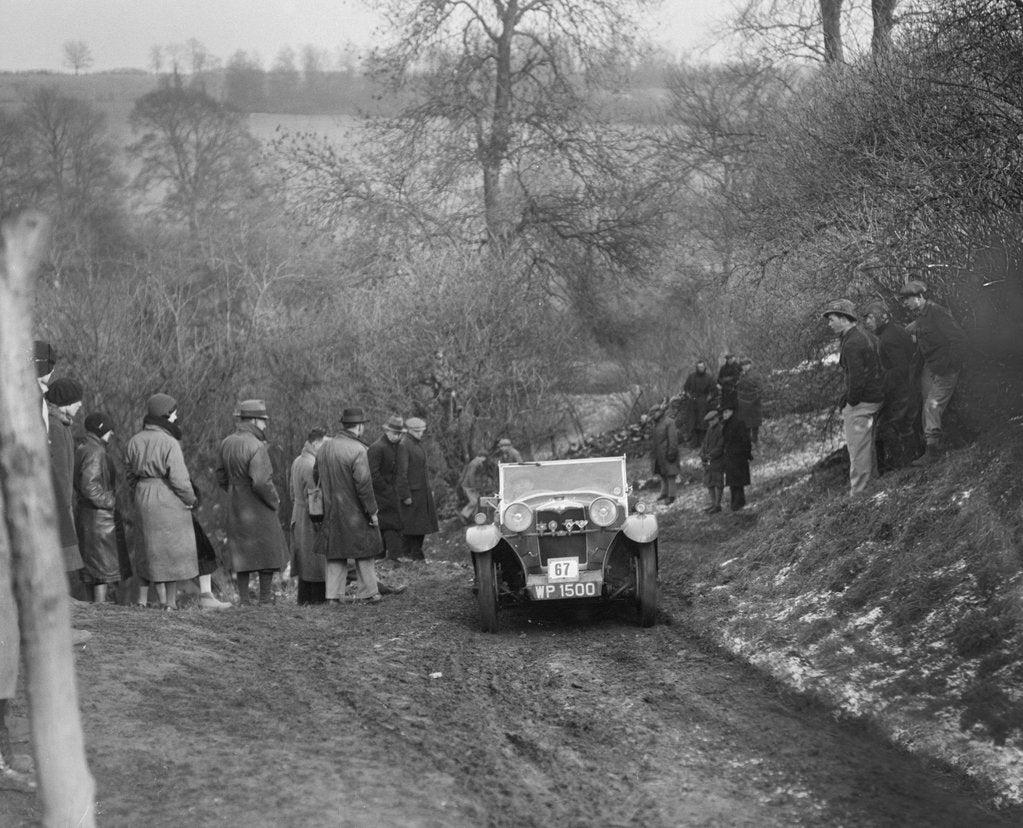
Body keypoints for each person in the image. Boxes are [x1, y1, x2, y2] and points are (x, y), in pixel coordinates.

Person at [125, 393, 199, 609]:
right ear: (166, 414)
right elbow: (179, 479)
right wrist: (191, 499)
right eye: (174, 412)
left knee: (148, 549)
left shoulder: (134, 440)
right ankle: (170, 603)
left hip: (142, 494)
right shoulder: (170, 442)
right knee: (170, 551)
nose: (176, 416)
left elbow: (129, 474)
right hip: (167, 496)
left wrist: (140, 490)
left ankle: (149, 601)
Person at [215, 399, 288, 607]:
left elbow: (220, 476)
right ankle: (265, 599)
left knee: (242, 553)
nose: (265, 425)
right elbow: (261, 481)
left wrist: (233, 492)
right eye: (263, 421)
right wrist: (275, 500)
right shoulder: (256, 445)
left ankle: (244, 600)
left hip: (235, 502)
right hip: (258, 504)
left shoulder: (226, 442)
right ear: (254, 421)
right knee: (268, 550)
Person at [314, 407, 386, 604]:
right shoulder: (359, 450)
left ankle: (333, 596)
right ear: (360, 427)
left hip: (331, 510)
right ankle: (369, 592)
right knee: (365, 548)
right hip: (354, 511)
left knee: (335, 552)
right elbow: (364, 485)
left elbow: (316, 477)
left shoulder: (324, 448)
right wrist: (372, 511)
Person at [899, 279, 967, 465]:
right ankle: (932, 446)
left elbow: (958, 338)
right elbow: (919, 331)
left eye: (907, 300)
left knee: (932, 406)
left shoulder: (937, 312)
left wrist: (950, 365)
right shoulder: (922, 315)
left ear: (919, 297)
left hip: (945, 368)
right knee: (926, 405)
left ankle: (933, 452)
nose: (905, 304)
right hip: (931, 367)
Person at [823, 299, 886, 495]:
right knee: (865, 446)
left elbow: (857, 378)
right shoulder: (863, 336)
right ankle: (868, 485)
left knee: (857, 448)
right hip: (876, 396)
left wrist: (850, 402)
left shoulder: (852, 343)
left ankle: (859, 492)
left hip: (863, 402)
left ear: (844, 318)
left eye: (832, 319)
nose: (829, 324)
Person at [74, 412, 128, 604]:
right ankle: (99, 610)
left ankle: (95, 609)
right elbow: (89, 486)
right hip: (99, 519)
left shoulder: (84, 448)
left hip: (89, 516)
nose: (112, 433)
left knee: (92, 570)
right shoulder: (96, 452)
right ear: (101, 429)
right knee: (101, 570)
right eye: (109, 429)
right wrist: (110, 501)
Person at [862, 300, 918, 471]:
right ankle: (908, 464)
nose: (867, 322)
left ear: (882, 317)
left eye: (870, 318)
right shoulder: (894, 331)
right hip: (907, 387)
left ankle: (904, 467)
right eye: (866, 319)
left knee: (888, 428)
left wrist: (881, 380)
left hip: (903, 391)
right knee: (902, 426)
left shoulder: (888, 338)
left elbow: (901, 369)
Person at [44, 377, 86, 590]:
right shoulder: (56, 427)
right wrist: (63, 504)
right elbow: (59, 472)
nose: (80, 405)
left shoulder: (62, 425)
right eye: (76, 400)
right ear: (66, 401)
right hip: (59, 504)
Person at [289, 427, 328, 605]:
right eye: (323, 444)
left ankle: (303, 599)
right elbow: (315, 495)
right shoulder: (312, 464)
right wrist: (319, 521)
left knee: (304, 558)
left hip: (297, 513)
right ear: (315, 443)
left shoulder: (298, 460)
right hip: (310, 515)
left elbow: (291, 492)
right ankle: (317, 600)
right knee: (316, 559)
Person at [396, 417, 440, 561]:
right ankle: (408, 555)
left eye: (421, 431)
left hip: (421, 492)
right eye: (418, 431)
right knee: (410, 527)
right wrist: (405, 495)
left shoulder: (415, 444)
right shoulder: (404, 445)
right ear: (410, 430)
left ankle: (415, 554)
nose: (421, 434)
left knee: (420, 526)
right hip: (412, 493)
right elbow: (401, 473)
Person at [367, 416, 406, 561]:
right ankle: (391, 557)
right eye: (395, 433)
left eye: (400, 434)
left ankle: (391, 557)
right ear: (387, 431)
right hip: (380, 494)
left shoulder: (395, 447)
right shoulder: (377, 448)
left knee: (390, 525)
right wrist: (386, 489)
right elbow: (373, 473)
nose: (397, 437)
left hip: (390, 492)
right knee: (389, 525)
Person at [721, 405, 753, 510]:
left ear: (731, 412)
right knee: (733, 480)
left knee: (737, 480)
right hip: (731, 456)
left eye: (726, 412)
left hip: (738, 456)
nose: (724, 414)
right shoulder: (727, 424)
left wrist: (745, 453)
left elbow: (745, 440)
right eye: (723, 413)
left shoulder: (738, 423)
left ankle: (738, 502)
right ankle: (736, 501)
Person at [682, 360, 717, 448]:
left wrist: (708, 399)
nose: (700, 369)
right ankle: (694, 442)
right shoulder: (691, 377)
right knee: (692, 422)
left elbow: (713, 390)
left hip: (703, 402)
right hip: (692, 402)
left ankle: (703, 442)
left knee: (703, 422)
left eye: (702, 367)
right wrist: (689, 396)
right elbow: (686, 389)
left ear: (704, 367)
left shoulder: (709, 377)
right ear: (696, 368)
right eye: (699, 367)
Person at [651, 406, 680, 504]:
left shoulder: (669, 422)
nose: (653, 415)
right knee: (662, 474)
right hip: (659, 455)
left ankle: (672, 495)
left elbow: (673, 439)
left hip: (667, 453)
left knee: (671, 475)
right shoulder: (656, 424)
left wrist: (672, 453)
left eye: (654, 413)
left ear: (659, 412)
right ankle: (664, 493)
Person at [699, 409, 725, 514]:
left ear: (717, 419)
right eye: (709, 421)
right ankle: (713, 503)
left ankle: (718, 505)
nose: (710, 422)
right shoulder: (709, 430)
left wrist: (709, 455)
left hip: (717, 460)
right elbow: (704, 443)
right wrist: (702, 454)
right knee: (709, 482)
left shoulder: (721, 430)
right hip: (708, 461)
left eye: (712, 420)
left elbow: (720, 446)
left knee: (718, 482)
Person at [458, 452, 496, 522]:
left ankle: (474, 517)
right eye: (484, 458)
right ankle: (463, 514)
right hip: (468, 486)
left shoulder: (478, 463)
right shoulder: (474, 464)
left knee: (479, 501)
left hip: (472, 485)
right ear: (481, 457)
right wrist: (473, 487)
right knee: (474, 501)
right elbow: (470, 475)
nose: (485, 460)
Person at [735, 358, 763, 445]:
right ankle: (747, 440)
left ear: (750, 365)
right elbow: (739, 388)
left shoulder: (756, 374)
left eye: (746, 365)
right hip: (744, 401)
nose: (744, 367)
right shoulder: (741, 375)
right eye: (743, 366)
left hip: (754, 401)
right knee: (745, 422)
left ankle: (755, 439)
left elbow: (760, 388)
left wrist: (755, 397)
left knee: (755, 422)